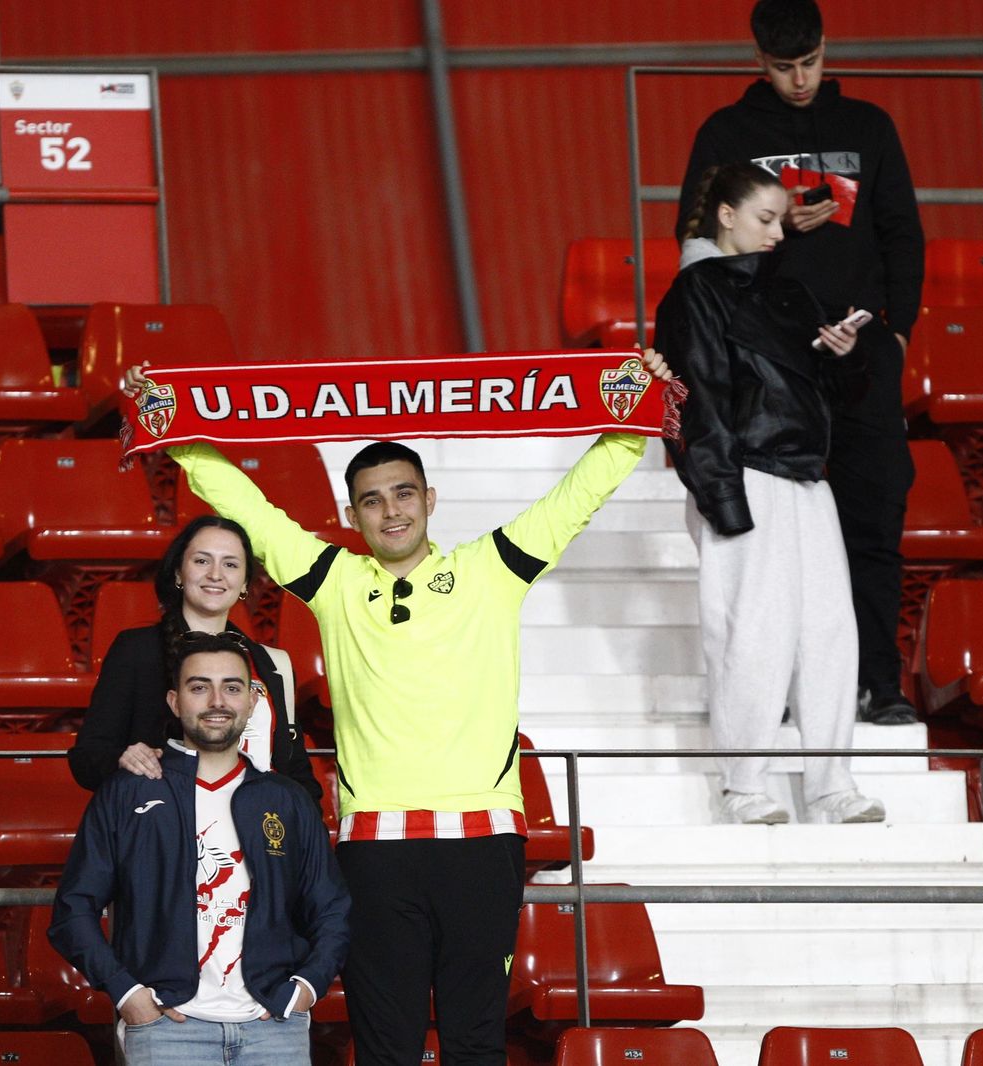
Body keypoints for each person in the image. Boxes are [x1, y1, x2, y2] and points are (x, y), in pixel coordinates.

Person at [135, 350, 670, 1066]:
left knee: (477, 1037)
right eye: (374, 500)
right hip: (375, 848)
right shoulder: (332, 579)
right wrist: (176, 426)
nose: (391, 511)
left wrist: (632, 413)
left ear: (429, 499)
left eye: (403, 493)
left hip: (483, 844)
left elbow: (578, 497)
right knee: (384, 1043)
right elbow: (251, 513)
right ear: (352, 514)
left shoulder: (492, 567)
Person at [675, 0, 925, 725]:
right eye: (784, 68)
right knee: (773, 539)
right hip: (767, 363)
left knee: (874, 520)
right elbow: (694, 241)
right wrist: (779, 223)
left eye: (809, 62)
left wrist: (899, 330)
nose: (799, 80)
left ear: (824, 48)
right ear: (759, 59)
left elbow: (901, 232)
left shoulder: (869, 127)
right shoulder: (727, 133)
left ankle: (879, 683)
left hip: (862, 352)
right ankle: (776, 693)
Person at [659, 161, 885, 826]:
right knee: (749, 636)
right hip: (746, 473)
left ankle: (831, 785)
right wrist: (721, 499)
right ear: (725, 216)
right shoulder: (693, 293)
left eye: (780, 222)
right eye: (764, 219)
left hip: (805, 479)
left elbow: (833, 397)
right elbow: (695, 402)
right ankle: (745, 785)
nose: (776, 233)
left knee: (828, 634)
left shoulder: (788, 292)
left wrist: (842, 354)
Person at [50, 629, 350, 1066]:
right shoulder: (127, 793)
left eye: (231, 687)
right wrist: (128, 993)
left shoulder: (285, 799)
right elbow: (72, 909)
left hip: (274, 1029)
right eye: (199, 687)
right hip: (166, 1030)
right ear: (174, 701)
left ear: (251, 701)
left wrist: (306, 987)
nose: (217, 701)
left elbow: (332, 909)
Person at [68, 514, 322, 811]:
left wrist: (305, 832)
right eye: (202, 561)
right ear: (178, 573)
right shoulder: (137, 650)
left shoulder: (272, 663)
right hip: (173, 833)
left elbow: (295, 770)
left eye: (230, 564)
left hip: (263, 835)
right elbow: (87, 756)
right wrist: (125, 758)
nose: (216, 574)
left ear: (244, 583)